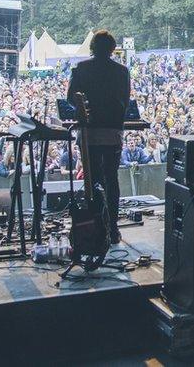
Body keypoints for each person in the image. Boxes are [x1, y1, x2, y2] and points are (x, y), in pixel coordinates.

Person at [66, 30, 131, 245]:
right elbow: (125, 99)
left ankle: (96, 228)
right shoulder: (121, 71)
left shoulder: (82, 69)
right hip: (112, 132)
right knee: (111, 179)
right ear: (113, 48)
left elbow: (70, 97)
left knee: (92, 181)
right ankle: (113, 229)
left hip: (89, 133)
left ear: (92, 47)